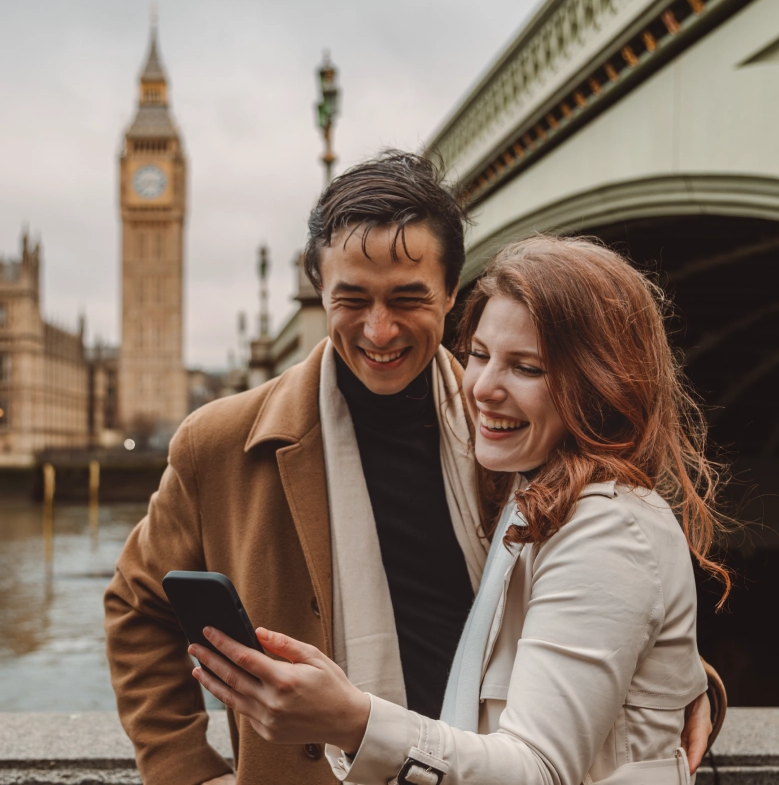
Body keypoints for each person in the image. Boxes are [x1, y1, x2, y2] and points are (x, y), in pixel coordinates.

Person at [104, 156, 721, 785]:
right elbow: (136, 607)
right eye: (351, 299)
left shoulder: (514, 439)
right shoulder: (222, 444)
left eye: (408, 298)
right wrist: (184, 769)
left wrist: (673, 679)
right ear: (319, 290)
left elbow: (597, 604)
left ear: (452, 293)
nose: (379, 329)